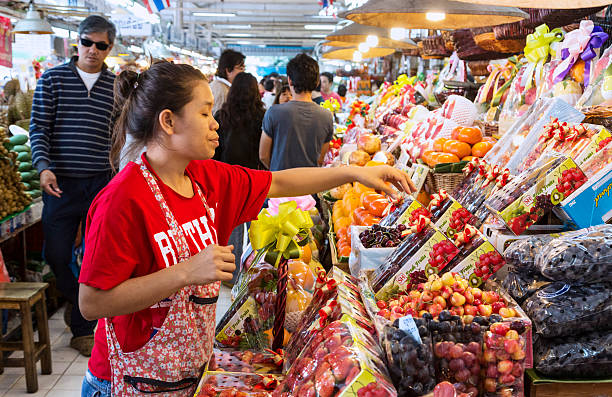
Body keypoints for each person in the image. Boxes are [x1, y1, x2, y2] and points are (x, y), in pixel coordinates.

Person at [77, 60, 414, 397]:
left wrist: (353, 173)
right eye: (205, 113)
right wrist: (185, 272)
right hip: (124, 383)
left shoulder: (205, 178)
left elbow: (280, 180)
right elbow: (92, 303)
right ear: (168, 121)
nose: (215, 124)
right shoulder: (123, 199)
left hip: (187, 376)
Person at [30, 15, 117, 357]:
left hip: (101, 183)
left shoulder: (116, 86)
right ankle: (78, 304)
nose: (91, 50)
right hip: (60, 183)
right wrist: (43, 167)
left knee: (97, 258)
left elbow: (121, 134)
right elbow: (39, 129)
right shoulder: (52, 80)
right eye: (86, 42)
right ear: (76, 42)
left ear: (110, 48)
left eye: (101, 45)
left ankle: (83, 328)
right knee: (56, 253)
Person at [213, 72, 266, 282]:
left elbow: (215, 151)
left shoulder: (221, 116)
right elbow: (263, 151)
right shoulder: (262, 116)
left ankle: (229, 275)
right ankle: (256, 273)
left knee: (231, 229)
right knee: (257, 229)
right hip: (253, 178)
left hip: (227, 179)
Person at [259, 53, 333, 171]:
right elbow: (320, 159)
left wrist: (277, 170)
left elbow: (263, 156)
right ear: (317, 82)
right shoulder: (327, 116)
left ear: (290, 81)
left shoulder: (273, 112)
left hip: (279, 184)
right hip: (310, 185)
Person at [210, 49, 245, 115]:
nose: (243, 72)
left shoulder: (223, 87)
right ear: (228, 70)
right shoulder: (221, 90)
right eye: (240, 68)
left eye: (244, 69)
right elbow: (219, 119)